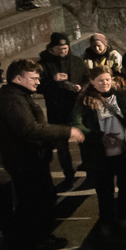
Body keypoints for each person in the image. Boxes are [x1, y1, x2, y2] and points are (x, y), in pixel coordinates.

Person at [0, 59, 84, 250]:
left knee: (44, 200)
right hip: (25, 163)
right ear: (18, 78)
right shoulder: (13, 100)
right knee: (30, 208)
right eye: (33, 78)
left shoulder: (17, 95)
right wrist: (66, 131)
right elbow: (29, 129)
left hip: (31, 160)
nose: (38, 82)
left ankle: (40, 238)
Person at [70, 66, 126, 236]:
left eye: (107, 79)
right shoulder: (85, 100)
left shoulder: (123, 95)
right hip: (100, 154)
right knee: (104, 190)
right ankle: (106, 220)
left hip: (124, 152)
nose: (105, 83)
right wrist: (99, 136)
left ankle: (124, 217)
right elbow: (77, 125)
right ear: (92, 82)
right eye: (100, 80)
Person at [38, 32, 88, 185]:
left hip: (76, 107)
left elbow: (87, 78)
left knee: (84, 141)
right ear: (52, 48)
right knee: (62, 146)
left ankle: (88, 170)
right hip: (56, 110)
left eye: (66, 48)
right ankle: (68, 174)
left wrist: (81, 87)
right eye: (60, 49)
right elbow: (38, 87)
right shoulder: (43, 64)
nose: (63, 51)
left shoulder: (77, 61)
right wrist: (53, 81)